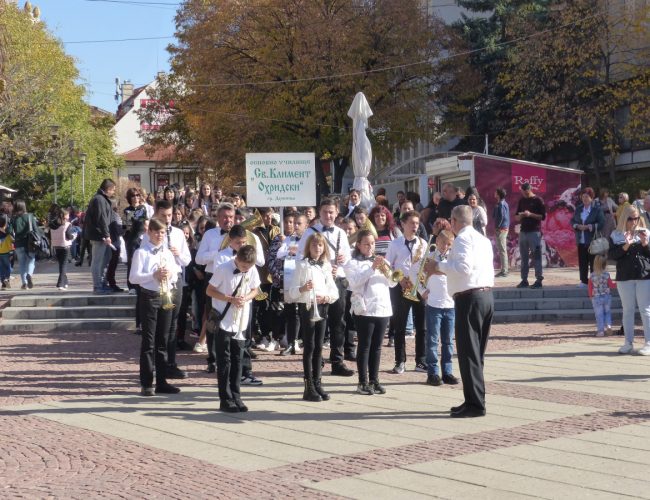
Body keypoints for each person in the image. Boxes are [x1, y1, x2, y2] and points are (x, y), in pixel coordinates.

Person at [426, 205, 494, 418]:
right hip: (484, 297)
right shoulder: (482, 239)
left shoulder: (463, 239)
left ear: (454, 221)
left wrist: (439, 266)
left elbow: (463, 268)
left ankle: (475, 404)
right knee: (476, 354)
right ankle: (474, 399)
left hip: (470, 298)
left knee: (468, 353)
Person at [297, 198, 355, 376]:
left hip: (336, 281)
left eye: (331, 212)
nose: (328, 215)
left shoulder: (341, 233)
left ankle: (337, 361)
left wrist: (342, 262)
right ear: (319, 213)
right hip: (318, 282)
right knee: (318, 322)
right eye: (325, 212)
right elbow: (301, 255)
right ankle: (317, 360)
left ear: (337, 213)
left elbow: (349, 259)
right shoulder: (310, 233)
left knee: (339, 322)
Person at [129, 217, 182, 397]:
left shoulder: (167, 252)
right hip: (149, 297)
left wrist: (169, 274)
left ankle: (162, 381)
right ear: (149, 232)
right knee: (149, 342)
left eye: (162, 232)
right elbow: (133, 278)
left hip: (166, 294)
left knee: (163, 341)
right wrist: (153, 275)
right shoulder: (141, 253)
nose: (160, 235)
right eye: (156, 232)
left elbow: (176, 273)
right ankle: (146, 383)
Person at [207, 245, 260, 413]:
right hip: (224, 320)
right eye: (243, 266)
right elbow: (209, 290)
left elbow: (255, 290)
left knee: (238, 359)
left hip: (241, 320)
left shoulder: (251, 269)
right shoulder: (223, 269)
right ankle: (225, 398)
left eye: (248, 267)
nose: (246, 270)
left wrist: (247, 298)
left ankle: (236, 396)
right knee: (224, 360)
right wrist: (229, 298)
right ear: (237, 259)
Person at [143, 200, 192, 379]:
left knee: (172, 324)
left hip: (175, 280)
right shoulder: (149, 233)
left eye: (170, 215)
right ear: (156, 214)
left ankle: (170, 364)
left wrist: (177, 254)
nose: (167, 219)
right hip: (156, 283)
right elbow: (143, 256)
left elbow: (187, 260)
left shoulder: (178, 233)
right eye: (163, 215)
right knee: (158, 327)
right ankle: (156, 364)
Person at [288, 233, 339, 402]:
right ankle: (308, 386)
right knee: (309, 346)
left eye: (320, 245)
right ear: (308, 248)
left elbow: (334, 291)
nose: (317, 248)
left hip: (322, 307)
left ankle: (318, 383)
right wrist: (303, 288)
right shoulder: (302, 265)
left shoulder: (325, 266)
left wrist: (326, 298)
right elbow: (292, 293)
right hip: (307, 306)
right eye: (314, 245)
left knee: (318, 347)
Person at [344, 230, 395, 395]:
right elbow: (354, 283)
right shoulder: (353, 263)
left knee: (377, 347)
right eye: (366, 244)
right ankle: (362, 382)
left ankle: (374, 380)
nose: (370, 247)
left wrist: (388, 272)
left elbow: (393, 283)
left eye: (372, 243)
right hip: (364, 309)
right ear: (358, 245)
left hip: (382, 308)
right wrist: (372, 268)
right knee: (365, 346)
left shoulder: (383, 261)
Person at [385, 210, 428, 374]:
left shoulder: (423, 243)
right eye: (411, 223)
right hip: (401, 288)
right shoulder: (394, 244)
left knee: (421, 327)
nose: (415, 226)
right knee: (400, 327)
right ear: (403, 224)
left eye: (417, 223)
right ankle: (400, 361)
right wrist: (399, 279)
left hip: (418, 288)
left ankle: (421, 361)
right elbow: (388, 267)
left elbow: (426, 265)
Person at [608, 205, 650, 355]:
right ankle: (628, 343)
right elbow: (612, 255)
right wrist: (626, 244)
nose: (634, 221)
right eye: (631, 218)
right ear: (624, 219)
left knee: (645, 310)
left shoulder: (645, 233)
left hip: (643, 275)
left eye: (637, 218)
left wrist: (645, 244)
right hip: (624, 276)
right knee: (628, 310)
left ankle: (648, 343)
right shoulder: (616, 235)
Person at [420, 229, 458, 387]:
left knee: (448, 341)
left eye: (449, 244)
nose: (445, 247)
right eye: (443, 243)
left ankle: (447, 371)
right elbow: (416, 274)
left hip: (450, 304)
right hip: (434, 304)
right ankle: (433, 373)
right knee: (432, 340)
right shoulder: (429, 257)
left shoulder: (452, 260)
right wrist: (422, 291)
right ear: (437, 242)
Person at [271, 211, 307, 356]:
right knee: (291, 312)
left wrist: (295, 251)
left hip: (305, 279)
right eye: (295, 223)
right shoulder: (289, 239)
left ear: (306, 225)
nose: (296, 226)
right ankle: (291, 343)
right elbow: (280, 253)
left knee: (305, 312)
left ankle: (305, 341)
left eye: (299, 223)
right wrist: (290, 250)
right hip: (291, 278)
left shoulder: (309, 238)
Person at [84, 179, 116, 294]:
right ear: (108, 189)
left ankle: (102, 283)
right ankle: (97, 286)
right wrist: (106, 235)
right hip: (99, 236)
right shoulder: (99, 200)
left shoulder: (101, 199)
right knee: (98, 261)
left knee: (106, 258)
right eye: (113, 190)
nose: (113, 192)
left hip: (101, 235)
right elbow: (102, 219)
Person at [571, 187, 605, 287]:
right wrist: (577, 226)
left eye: (587, 197)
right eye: (583, 196)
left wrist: (589, 226)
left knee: (593, 261)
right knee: (582, 261)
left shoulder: (597, 209)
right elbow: (572, 221)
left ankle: (594, 281)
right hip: (581, 239)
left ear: (591, 197)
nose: (584, 198)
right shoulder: (579, 208)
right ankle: (584, 281)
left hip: (593, 240)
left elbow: (602, 223)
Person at [515, 182, 546, 289]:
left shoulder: (538, 200)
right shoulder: (521, 200)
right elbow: (516, 216)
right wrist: (520, 216)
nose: (523, 193)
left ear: (528, 190)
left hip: (534, 232)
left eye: (524, 192)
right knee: (523, 257)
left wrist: (530, 214)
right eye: (521, 192)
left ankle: (539, 279)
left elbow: (543, 217)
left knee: (536, 256)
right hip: (523, 232)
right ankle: (524, 279)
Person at [10, 200, 39, 290]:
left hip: (18, 243)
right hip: (30, 243)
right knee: (31, 260)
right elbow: (36, 229)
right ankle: (29, 274)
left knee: (21, 264)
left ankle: (24, 284)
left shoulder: (13, 218)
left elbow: (10, 231)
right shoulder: (30, 216)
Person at [588, 254, 615, 337]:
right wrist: (617, 284)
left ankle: (601, 331)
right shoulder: (607, 274)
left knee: (599, 315)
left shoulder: (592, 275)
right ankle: (609, 325)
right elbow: (611, 285)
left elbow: (590, 287)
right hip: (607, 296)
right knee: (607, 312)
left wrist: (590, 296)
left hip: (596, 297)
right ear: (605, 264)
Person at [50, 207, 76, 290]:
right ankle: (60, 284)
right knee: (63, 265)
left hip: (56, 245)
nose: (69, 215)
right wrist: (74, 236)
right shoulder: (67, 224)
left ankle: (65, 282)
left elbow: (48, 234)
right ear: (64, 215)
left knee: (61, 264)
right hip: (65, 245)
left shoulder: (52, 224)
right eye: (68, 214)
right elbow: (68, 236)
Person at [493, 188, 510, 277]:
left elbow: (503, 217)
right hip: (502, 228)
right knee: (501, 250)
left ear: (498, 194)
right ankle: (504, 269)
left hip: (502, 229)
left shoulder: (502, 204)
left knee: (502, 250)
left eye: (495, 192)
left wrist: (498, 227)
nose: (494, 193)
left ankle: (504, 271)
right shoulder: (500, 204)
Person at [0, 213, 14, 289]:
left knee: (1, 268)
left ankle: (3, 284)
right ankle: (7, 279)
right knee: (8, 267)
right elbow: (10, 244)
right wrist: (12, 253)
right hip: (6, 252)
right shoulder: (7, 234)